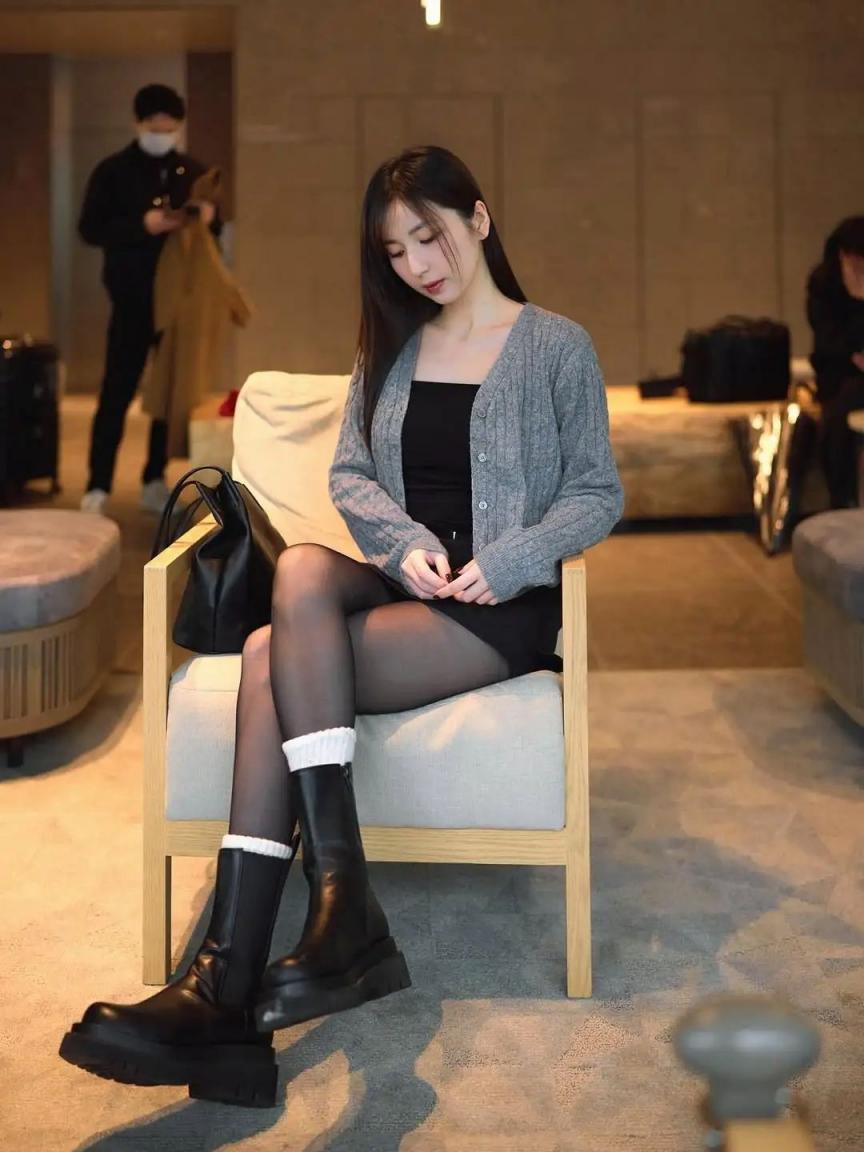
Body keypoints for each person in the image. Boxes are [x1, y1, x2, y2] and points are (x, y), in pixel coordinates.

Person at [59, 145, 624, 1107]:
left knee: (268, 655)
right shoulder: (392, 344)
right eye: (395, 250)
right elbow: (351, 475)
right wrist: (404, 544)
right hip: (411, 583)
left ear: (479, 220)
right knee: (302, 577)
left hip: (499, 608)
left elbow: (596, 492)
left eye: (428, 237)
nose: (416, 264)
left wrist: (511, 559)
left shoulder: (556, 347)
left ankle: (226, 988)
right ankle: (331, 912)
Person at [78, 83, 219, 516]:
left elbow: (213, 233)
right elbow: (90, 228)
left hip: (178, 304)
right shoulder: (113, 171)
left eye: (170, 129)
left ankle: (154, 478)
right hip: (132, 299)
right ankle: (98, 483)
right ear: (138, 124)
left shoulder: (191, 171)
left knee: (169, 394)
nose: (163, 136)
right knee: (117, 390)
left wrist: (207, 217)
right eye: (156, 129)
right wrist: (143, 224)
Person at [806, 216, 864, 508]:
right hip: (838, 370)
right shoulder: (824, 283)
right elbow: (827, 338)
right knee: (838, 414)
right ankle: (842, 497)